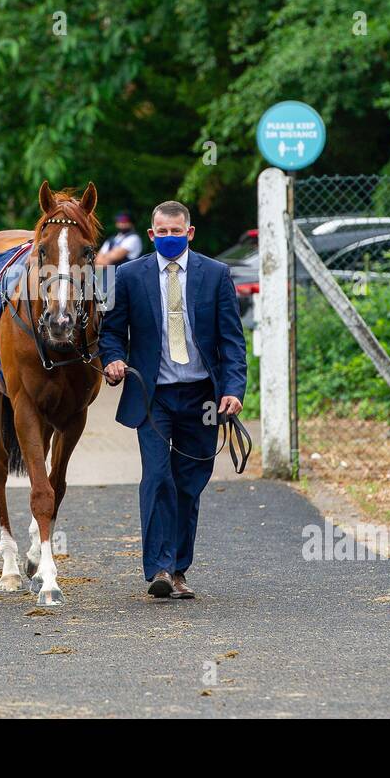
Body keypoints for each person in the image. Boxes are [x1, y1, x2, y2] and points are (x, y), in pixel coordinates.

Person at [99, 201, 247, 599]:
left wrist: (233, 389)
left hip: (201, 396)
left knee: (188, 483)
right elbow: (111, 332)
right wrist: (113, 359)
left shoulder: (215, 275)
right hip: (153, 395)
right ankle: (160, 569)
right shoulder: (128, 276)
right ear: (151, 235)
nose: (168, 238)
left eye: (175, 232)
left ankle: (179, 568)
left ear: (190, 232)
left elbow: (232, 340)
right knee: (158, 476)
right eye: (161, 233)